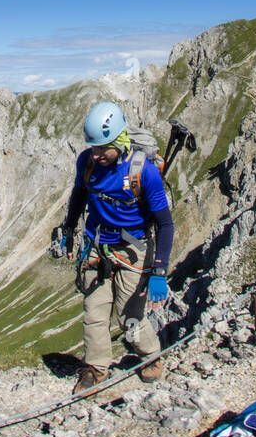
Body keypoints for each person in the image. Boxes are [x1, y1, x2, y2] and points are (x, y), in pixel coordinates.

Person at [54, 100, 173, 389]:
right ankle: (95, 369)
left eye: (102, 148)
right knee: (94, 312)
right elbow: (79, 195)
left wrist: (159, 271)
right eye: (92, 148)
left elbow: (165, 224)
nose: (96, 155)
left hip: (133, 250)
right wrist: (69, 227)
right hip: (97, 247)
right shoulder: (86, 162)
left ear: (119, 140)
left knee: (129, 318)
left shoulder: (145, 172)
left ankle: (150, 356)